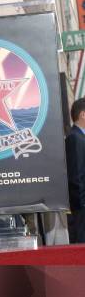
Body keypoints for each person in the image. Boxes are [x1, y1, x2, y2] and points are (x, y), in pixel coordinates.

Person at [65, 97, 85, 243]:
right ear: (83, 114)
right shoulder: (75, 138)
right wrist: (82, 206)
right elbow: (76, 175)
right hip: (81, 208)